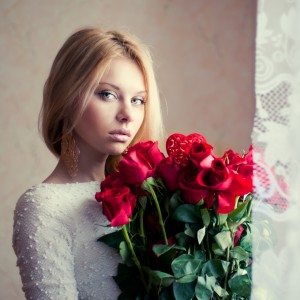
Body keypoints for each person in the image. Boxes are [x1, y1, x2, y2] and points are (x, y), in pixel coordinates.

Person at [12, 27, 164, 300]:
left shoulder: (149, 193)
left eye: (138, 100)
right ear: (68, 97)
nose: (128, 114)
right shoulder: (43, 207)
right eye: (107, 94)